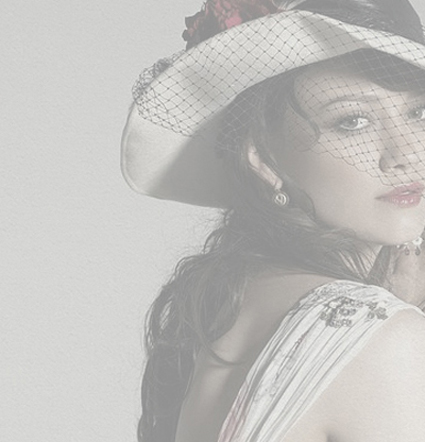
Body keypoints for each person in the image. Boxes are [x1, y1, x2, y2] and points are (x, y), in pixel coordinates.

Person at [121, 0, 425, 441]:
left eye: (418, 113)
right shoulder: (384, 338)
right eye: (352, 121)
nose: (407, 153)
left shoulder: (232, 308)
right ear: (263, 159)